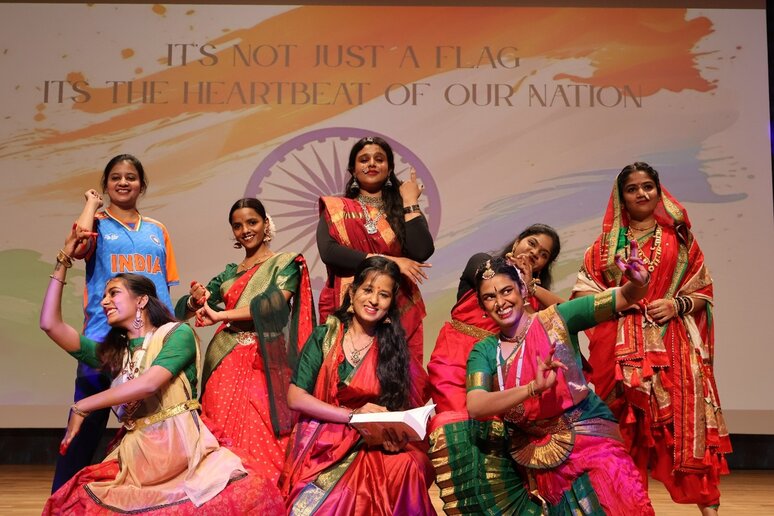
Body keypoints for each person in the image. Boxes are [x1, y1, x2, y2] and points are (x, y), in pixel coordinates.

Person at [41, 233, 283, 514]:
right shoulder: (113, 353)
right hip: (138, 457)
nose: (104, 302)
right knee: (74, 502)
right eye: (104, 295)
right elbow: (50, 324)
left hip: (181, 453)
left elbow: (148, 384)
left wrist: (84, 405)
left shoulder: (175, 334)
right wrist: (63, 260)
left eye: (114, 293)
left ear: (141, 300)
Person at [572, 162, 730, 515]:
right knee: (625, 435)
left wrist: (676, 304)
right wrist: (621, 302)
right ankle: (629, 507)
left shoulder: (679, 239)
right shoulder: (603, 247)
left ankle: (709, 510)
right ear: (621, 197)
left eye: (648, 186)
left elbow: (703, 290)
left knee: (684, 430)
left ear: (659, 192)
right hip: (619, 352)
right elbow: (583, 292)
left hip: (672, 347)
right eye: (633, 188)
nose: (642, 193)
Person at [465, 254, 655, 514]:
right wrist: (532, 389)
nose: (500, 303)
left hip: (589, 436)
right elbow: (476, 406)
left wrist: (639, 284)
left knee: (618, 495)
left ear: (522, 289)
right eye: (489, 297)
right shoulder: (485, 351)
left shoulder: (558, 319)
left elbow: (622, 298)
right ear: (482, 305)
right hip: (533, 451)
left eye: (507, 290)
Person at [52, 154, 179, 492]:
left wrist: (170, 332)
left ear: (142, 185)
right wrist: (92, 205)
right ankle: (63, 500)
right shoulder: (97, 224)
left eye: (131, 177)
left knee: (159, 428)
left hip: (149, 340)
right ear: (106, 185)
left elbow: (163, 289)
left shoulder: (157, 230)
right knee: (83, 430)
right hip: (103, 338)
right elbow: (77, 242)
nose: (124, 182)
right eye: (115, 178)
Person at [175, 197, 316, 484]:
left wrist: (221, 314)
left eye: (252, 222)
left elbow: (273, 306)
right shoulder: (229, 273)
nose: (245, 230)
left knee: (263, 433)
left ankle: (263, 496)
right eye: (237, 226)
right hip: (225, 360)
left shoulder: (284, 263)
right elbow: (182, 312)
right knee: (219, 431)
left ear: (266, 224)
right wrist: (195, 299)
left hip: (265, 360)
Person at [280, 256, 435, 514]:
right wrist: (351, 416)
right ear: (352, 292)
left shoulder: (393, 348)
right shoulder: (326, 335)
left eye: (383, 294)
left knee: (412, 465)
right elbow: (295, 397)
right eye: (367, 290)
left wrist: (393, 437)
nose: (374, 300)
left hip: (371, 442)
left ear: (391, 303)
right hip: (326, 440)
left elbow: (397, 411)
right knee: (339, 498)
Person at [426, 225, 562, 513]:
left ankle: (499, 505)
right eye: (532, 243)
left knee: (499, 439)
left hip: (500, 363)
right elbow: (488, 271)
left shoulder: (528, 298)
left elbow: (565, 313)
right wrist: (513, 273)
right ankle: (466, 505)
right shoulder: (481, 264)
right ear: (518, 239)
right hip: (454, 360)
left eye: (542, 255)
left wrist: (530, 287)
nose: (533, 253)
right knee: (460, 428)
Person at [317, 136, 434, 366]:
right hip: (348, 304)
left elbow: (421, 251)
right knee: (348, 375)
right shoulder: (337, 209)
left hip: (396, 305)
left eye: (379, 159)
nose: (371, 163)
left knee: (397, 374)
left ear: (389, 168)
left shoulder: (401, 208)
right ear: (353, 169)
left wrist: (409, 201)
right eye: (364, 159)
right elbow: (329, 252)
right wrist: (389, 260)